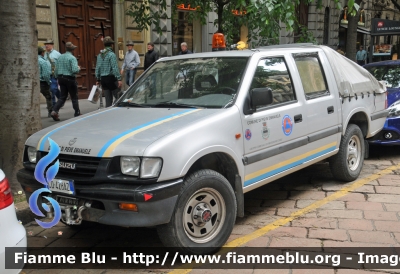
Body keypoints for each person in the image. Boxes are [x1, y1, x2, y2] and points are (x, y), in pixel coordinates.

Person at [51, 42, 81, 121]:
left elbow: (56, 70)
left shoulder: (60, 57)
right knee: (74, 96)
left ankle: (54, 111)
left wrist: (58, 77)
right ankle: (77, 112)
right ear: (73, 50)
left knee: (62, 97)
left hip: (61, 78)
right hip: (70, 78)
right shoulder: (72, 58)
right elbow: (74, 70)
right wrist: (78, 68)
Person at [95, 36, 122, 107]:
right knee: (120, 97)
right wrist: (119, 79)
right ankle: (116, 108)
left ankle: (109, 110)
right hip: (111, 78)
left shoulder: (99, 55)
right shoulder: (111, 55)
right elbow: (115, 68)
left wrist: (98, 78)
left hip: (103, 79)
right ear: (111, 45)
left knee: (108, 99)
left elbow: (98, 67)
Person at [44, 39, 61, 107]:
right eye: (45, 44)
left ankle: (53, 105)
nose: (46, 45)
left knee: (53, 89)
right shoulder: (45, 54)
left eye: (48, 44)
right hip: (47, 75)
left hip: (54, 75)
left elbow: (60, 63)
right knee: (52, 89)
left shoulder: (57, 54)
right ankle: (60, 99)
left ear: (52, 45)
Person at [38, 46, 53, 118]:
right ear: (42, 53)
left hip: (35, 81)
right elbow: (45, 74)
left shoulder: (33, 60)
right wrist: (48, 81)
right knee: (48, 96)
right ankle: (50, 112)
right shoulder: (43, 62)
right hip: (43, 82)